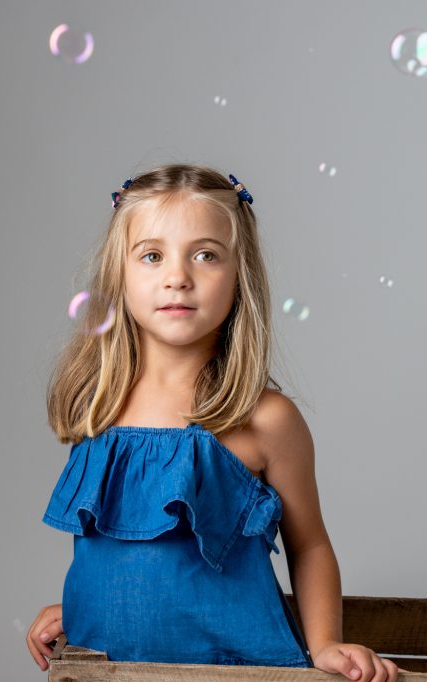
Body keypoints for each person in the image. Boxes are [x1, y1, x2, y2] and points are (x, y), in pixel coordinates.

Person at [25, 163, 404, 681]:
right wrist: (87, 606)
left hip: (235, 672)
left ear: (239, 275)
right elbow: (127, 555)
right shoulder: (98, 405)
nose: (177, 276)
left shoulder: (266, 419)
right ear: (120, 275)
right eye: (152, 256)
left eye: (205, 255)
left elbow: (310, 544)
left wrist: (326, 644)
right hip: (112, 671)